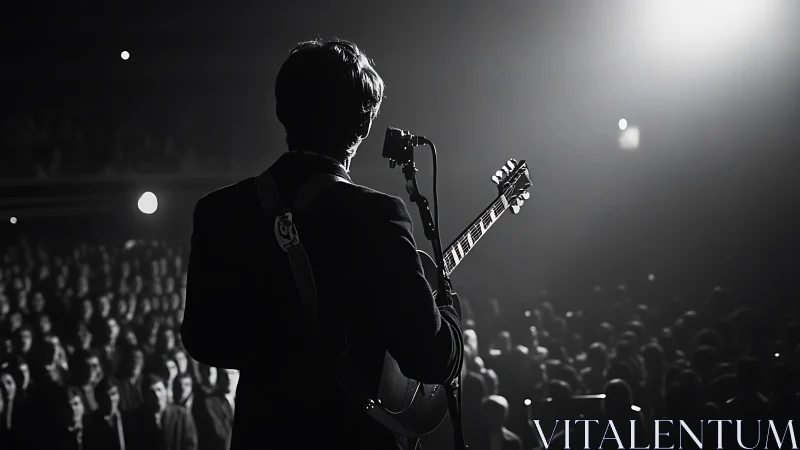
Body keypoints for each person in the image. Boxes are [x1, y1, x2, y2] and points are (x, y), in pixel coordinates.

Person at [181, 38, 464, 449]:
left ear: (283, 111)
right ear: (364, 123)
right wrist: (451, 315)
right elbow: (430, 358)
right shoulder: (377, 215)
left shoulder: (219, 210)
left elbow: (203, 339)